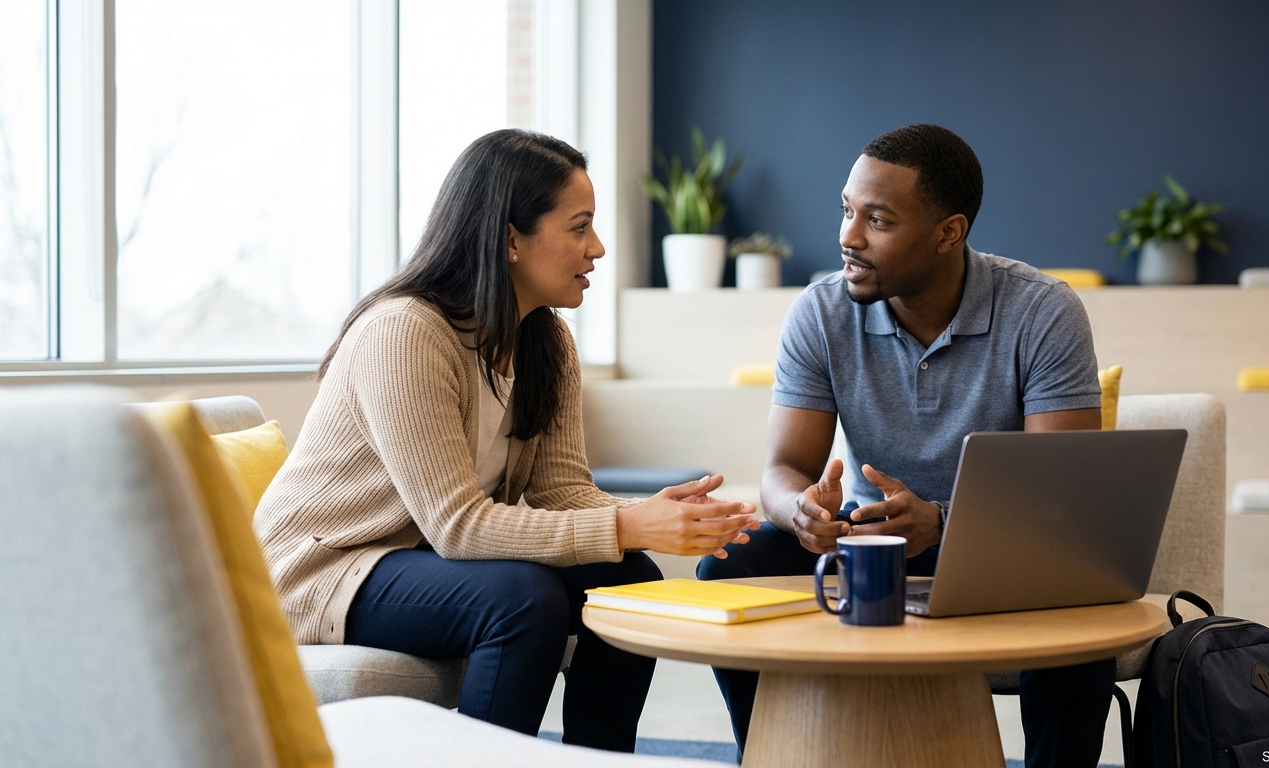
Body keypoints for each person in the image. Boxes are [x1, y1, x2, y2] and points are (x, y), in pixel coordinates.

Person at [255, 129, 758, 753]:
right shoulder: (405, 333)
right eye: (579, 227)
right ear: (510, 238)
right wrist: (629, 524)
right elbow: (457, 527)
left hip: (418, 561)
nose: (597, 248)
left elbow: (561, 492)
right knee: (524, 600)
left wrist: (646, 518)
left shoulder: (546, 343)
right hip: (324, 568)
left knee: (630, 575)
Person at [697, 124, 1111, 767]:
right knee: (732, 566)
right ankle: (776, 754)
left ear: (949, 231)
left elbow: (1060, 501)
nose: (847, 237)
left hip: (1003, 560)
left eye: (878, 220)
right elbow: (782, 468)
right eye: (846, 211)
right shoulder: (821, 311)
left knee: (1079, 606)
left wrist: (943, 524)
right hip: (867, 553)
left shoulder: (1042, 311)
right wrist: (800, 511)